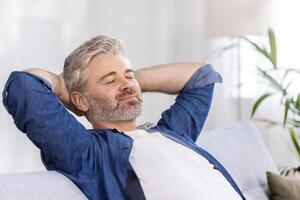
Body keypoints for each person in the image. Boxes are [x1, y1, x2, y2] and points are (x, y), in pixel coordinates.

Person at [2, 35, 245, 200]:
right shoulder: (89, 154)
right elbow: (24, 87)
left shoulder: (171, 133)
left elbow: (202, 76)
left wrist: (127, 79)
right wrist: (64, 86)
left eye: (128, 76)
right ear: (80, 100)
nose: (126, 85)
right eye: (109, 80)